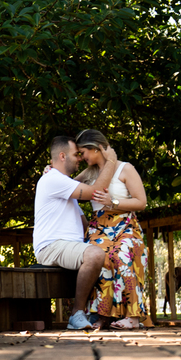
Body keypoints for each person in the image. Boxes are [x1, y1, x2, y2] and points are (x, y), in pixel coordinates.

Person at [32, 135, 117, 331]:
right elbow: (97, 191)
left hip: (67, 246)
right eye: (76, 154)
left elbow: (85, 226)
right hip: (51, 246)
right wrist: (111, 161)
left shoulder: (65, 187)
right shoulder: (53, 179)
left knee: (108, 252)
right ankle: (76, 314)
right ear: (62, 156)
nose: (80, 158)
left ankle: (105, 314)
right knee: (94, 254)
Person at [76, 129, 149, 329]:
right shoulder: (89, 173)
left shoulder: (125, 168)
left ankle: (133, 317)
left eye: (83, 152)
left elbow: (141, 202)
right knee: (100, 260)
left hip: (125, 225)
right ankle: (103, 317)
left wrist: (113, 202)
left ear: (96, 148)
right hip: (98, 228)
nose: (81, 157)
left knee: (122, 254)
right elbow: (67, 186)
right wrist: (50, 171)